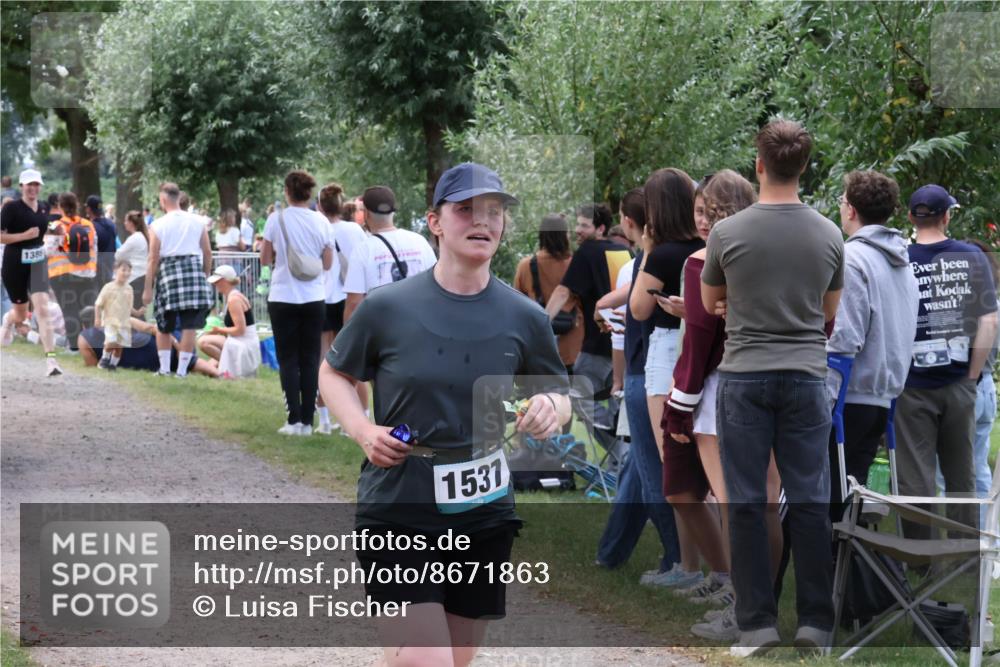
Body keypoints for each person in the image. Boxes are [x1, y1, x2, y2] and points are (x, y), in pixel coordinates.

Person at [319, 162, 570, 667]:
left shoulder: (524, 316)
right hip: (399, 501)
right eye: (466, 211)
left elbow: (558, 394)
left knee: (455, 659)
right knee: (425, 659)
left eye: (494, 211)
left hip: (482, 509)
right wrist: (364, 430)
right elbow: (333, 374)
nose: (483, 221)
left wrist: (551, 407)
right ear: (434, 222)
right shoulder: (387, 307)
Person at [701, 120, 844, 656]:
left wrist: (736, 303)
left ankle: (756, 623)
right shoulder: (829, 233)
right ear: (803, 166)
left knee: (743, 501)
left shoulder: (728, 233)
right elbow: (828, 313)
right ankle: (816, 624)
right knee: (809, 499)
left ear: (758, 164)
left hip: (744, 376)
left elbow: (712, 298)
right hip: (807, 376)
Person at [664, 170, 775, 642]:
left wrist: (677, 407)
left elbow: (699, 347)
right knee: (767, 505)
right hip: (781, 379)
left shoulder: (700, 261)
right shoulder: (774, 252)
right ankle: (762, 607)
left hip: (721, 389)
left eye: (709, 211)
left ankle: (747, 612)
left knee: (736, 507)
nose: (703, 220)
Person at [895, 184, 998, 538]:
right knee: (961, 478)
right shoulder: (972, 256)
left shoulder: (900, 258)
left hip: (911, 386)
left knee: (914, 479)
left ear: (911, 217)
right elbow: (988, 320)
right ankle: (962, 564)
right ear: (947, 216)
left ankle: (919, 564)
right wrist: (972, 374)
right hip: (959, 382)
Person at [593, 187, 682, 582]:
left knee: (652, 471)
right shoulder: (683, 252)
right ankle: (611, 553)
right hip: (665, 369)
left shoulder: (650, 258)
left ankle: (679, 558)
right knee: (640, 468)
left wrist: (607, 306)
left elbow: (636, 308)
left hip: (647, 371)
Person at [825, 171, 919, 520]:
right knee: (853, 496)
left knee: (833, 501)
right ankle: (855, 570)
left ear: (850, 209)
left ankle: (840, 570)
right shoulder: (902, 263)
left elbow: (844, 336)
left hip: (848, 396)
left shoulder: (853, 258)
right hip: (883, 395)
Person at [261, 170, 334, 435]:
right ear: (309, 193)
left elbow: (264, 258)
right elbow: (327, 263)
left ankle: (293, 420)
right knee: (311, 358)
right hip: (314, 297)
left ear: (287, 191)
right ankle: (309, 419)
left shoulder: (275, 219)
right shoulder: (321, 222)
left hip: (282, 296)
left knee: (288, 358)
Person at [545, 203, 631, 420]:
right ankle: (619, 449)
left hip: (598, 346)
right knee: (619, 402)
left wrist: (541, 323)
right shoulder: (625, 251)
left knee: (577, 399)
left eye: (584, 225)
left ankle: (612, 430)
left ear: (600, 229)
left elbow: (563, 293)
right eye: (577, 224)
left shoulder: (587, 252)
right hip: (626, 343)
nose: (577, 230)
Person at [143, 182, 214, 378]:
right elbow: (207, 253)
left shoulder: (157, 224)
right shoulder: (198, 221)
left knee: (163, 324)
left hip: (168, 272)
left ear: (163, 200)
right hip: (193, 270)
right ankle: (182, 371)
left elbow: (153, 258)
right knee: (189, 325)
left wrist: (147, 288)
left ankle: (165, 369)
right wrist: (205, 275)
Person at [316, 182, 367, 434]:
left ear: (320, 206)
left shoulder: (319, 226)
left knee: (324, 359)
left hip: (324, 296)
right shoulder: (354, 230)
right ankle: (360, 419)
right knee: (352, 361)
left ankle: (325, 421)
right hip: (351, 295)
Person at [342, 185, 437, 322]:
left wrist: (348, 339)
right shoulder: (419, 241)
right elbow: (437, 284)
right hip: (420, 325)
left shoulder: (363, 250)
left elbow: (354, 303)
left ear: (366, 213)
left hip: (381, 332)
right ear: (393, 212)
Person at [0, 169, 62, 376]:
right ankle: (9, 321)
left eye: (36, 184)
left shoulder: (43, 207)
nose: (33, 188)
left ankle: (51, 361)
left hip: (37, 262)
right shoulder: (11, 208)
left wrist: (54, 230)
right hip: (14, 264)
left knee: (42, 309)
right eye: (29, 184)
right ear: (21, 187)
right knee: (20, 314)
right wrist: (23, 236)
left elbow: (47, 224)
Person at [512, 213, 583, 374]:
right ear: (564, 235)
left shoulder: (526, 266)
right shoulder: (575, 264)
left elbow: (517, 305)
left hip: (539, 343)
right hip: (573, 343)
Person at [77, 307, 218, 377]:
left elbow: (93, 368)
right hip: (164, 347)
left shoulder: (84, 338)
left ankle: (217, 366)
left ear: (83, 325)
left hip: (148, 360)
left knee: (189, 363)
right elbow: (152, 328)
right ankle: (218, 368)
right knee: (190, 362)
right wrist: (177, 345)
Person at [47, 191, 98, 351]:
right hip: (87, 274)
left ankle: (75, 347)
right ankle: (92, 344)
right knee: (88, 310)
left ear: (60, 206)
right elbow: (94, 248)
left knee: (70, 310)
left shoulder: (55, 226)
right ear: (76, 206)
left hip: (61, 274)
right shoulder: (88, 225)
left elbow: (48, 250)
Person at [197, 264, 261, 378]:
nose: (215, 285)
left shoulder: (233, 300)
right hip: (244, 342)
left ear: (224, 281)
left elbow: (240, 330)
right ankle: (221, 368)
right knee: (208, 366)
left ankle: (228, 371)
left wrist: (218, 330)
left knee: (203, 342)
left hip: (244, 344)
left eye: (217, 282)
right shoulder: (234, 295)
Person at [93, 259, 134, 371]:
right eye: (123, 270)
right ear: (116, 270)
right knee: (111, 341)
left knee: (119, 347)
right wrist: (97, 318)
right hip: (110, 321)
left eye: (129, 271)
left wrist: (138, 312)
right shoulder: (108, 287)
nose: (126, 273)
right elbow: (98, 304)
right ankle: (104, 359)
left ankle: (112, 365)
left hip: (124, 322)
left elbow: (129, 307)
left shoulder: (129, 289)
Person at [116, 210, 149, 312]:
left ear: (131, 223)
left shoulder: (134, 238)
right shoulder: (143, 237)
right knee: (138, 308)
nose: (124, 223)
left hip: (134, 277)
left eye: (126, 221)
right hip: (142, 276)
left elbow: (118, 255)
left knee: (133, 310)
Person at [86, 195, 117, 286]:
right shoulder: (112, 224)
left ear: (88, 209)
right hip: (109, 266)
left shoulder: (91, 227)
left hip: (97, 268)